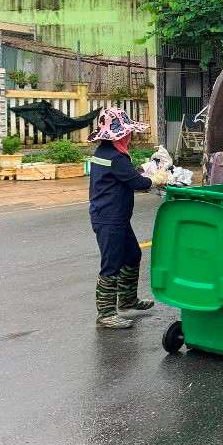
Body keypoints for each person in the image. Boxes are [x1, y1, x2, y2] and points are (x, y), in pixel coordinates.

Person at [87, 107, 166, 329]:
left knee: (132, 254)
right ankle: (106, 313)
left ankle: (128, 300)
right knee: (111, 263)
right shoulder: (116, 157)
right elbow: (137, 183)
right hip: (109, 218)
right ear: (120, 134)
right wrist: (156, 179)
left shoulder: (104, 152)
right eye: (127, 132)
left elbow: (125, 177)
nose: (130, 136)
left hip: (115, 216)